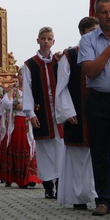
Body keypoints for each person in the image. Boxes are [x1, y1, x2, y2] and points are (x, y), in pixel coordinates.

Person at [77, 0, 110, 216]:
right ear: (98, 15)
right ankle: (104, 199)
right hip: (98, 99)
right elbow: (91, 70)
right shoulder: (88, 41)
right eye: (104, 12)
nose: (109, 16)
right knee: (100, 152)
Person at [55, 16, 99, 210]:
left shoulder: (102, 53)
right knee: (77, 156)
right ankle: (77, 197)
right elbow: (61, 86)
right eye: (90, 31)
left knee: (99, 154)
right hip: (77, 113)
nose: (94, 35)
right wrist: (66, 111)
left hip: (98, 111)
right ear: (82, 33)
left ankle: (100, 195)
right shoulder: (70, 55)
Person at [23, 27, 65, 199]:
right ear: (38, 40)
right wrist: (30, 113)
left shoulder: (59, 61)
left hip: (58, 108)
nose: (46, 41)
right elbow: (27, 89)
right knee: (45, 148)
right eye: (43, 38)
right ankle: (48, 185)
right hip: (41, 110)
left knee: (61, 146)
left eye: (49, 38)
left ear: (53, 41)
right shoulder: (30, 64)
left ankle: (61, 183)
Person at [0, 67, 41, 188]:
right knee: (19, 147)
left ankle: (31, 176)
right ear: (18, 76)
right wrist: (11, 93)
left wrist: (26, 107)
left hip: (31, 121)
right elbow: (5, 104)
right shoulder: (15, 91)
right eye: (21, 75)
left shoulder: (34, 90)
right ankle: (20, 177)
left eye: (26, 75)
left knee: (31, 148)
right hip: (18, 122)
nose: (24, 77)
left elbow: (40, 105)